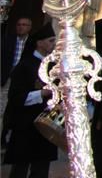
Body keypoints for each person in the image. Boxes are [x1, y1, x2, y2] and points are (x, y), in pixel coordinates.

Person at [2, 21, 57, 178]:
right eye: (50, 41)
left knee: (41, 170)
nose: (53, 44)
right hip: (26, 125)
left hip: (47, 125)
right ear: (39, 43)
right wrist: (42, 93)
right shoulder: (25, 65)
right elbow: (16, 97)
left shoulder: (52, 66)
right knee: (20, 168)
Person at [1, 16, 32, 86]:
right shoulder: (6, 41)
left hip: (22, 79)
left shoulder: (32, 43)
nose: (20, 27)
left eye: (24, 25)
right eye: (18, 25)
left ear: (30, 27)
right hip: (5, 77)